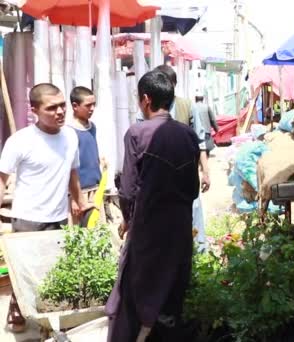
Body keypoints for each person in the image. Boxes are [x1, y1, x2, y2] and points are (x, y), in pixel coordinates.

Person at [105, 70, 200, 342]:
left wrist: (127, 220)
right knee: (172, 296)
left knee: (134, 298)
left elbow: (127, 190)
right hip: (180, 230)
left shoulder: (137, 133)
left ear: (145, 99)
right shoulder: (188, 135)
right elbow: (192, 189)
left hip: (148, 231)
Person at [0, 83, 91, 332]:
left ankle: (48, 321)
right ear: (34, 111)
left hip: (58, 217)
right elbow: (2, 179)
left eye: (62, 105)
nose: (60, 111)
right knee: (24, 272)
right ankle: (16, 311)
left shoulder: (71, 136)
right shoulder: (20, 141)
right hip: (27, 218)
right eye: (52, 108)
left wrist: (79, 200)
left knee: (54, 270)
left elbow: (72, 171)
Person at [152, 64, 209, 250]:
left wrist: (205, 171)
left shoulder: (186, 105)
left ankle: (198, 250)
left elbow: (200, 142)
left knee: (193, 209)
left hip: (186, 171)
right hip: (159, 175)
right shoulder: (147, 109)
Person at [69, 86, 104, 225]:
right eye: (88, 105)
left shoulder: (92, 127)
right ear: (75, 106)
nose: (92, 108)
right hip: (79, 191)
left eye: (94, 104)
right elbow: (69, 166)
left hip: (95, 188)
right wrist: (73, 197)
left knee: (95, 230)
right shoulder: (69, 131)